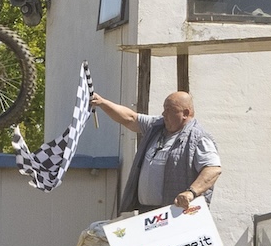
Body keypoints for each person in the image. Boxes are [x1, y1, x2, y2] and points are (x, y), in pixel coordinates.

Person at [90, 90, 222, 213]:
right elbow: (130, 118)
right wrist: (102, 102)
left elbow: (213, 169)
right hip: (148, 212)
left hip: (177, 215)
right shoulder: (156, 126)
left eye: (169, 110)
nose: (164, 114)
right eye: (164, 109)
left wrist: (191, 192)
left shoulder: (198, 138)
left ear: (185, 114)